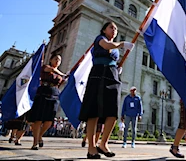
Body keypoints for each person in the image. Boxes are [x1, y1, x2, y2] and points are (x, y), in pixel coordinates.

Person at [79, 21, 134, 159]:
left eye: (116, 28)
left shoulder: (114, 47)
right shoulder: (101, 39)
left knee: (112, 112)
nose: (114, 30)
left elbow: (112, 55)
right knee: (94, 111)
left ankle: (103, 143)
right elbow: (107, 46)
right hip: (99, 74)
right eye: (111, 27)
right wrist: (122, 44)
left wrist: (116, 67)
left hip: (112, 75)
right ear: (104, 30)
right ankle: (91, 147)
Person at [28, 54, 67, 150]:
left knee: (49, 120)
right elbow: (52, 70)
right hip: (43, 93)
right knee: (38, 119)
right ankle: (35, 142)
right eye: (56, 59)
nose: (58, 61)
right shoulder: (46, 67)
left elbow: (61, 83)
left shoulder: (59, 74)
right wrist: (63, 74)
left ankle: (39, 135)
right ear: (51, 60)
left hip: (54, 95)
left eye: (59, 60)